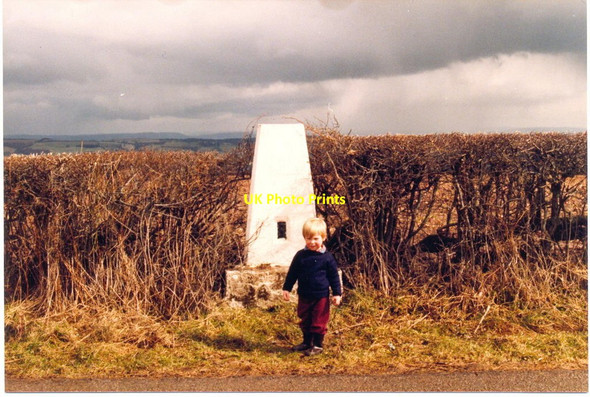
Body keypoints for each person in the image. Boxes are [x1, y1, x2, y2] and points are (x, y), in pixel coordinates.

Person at [282, 217, 342, 356]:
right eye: (308, 239)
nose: (312, 242)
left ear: (323, 238)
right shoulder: (300, 256)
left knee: (318, 321)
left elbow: (334, 277)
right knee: (305, 318)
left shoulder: (327, 258)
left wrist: (337, 294)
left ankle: (317, 345)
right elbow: (292, 273)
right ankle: (306, 342)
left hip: (320, 296)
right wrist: (287, 288)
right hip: (304, 294)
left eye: (315, 238)